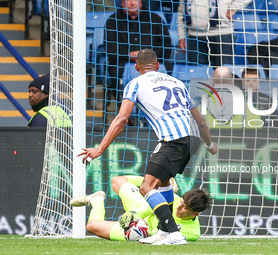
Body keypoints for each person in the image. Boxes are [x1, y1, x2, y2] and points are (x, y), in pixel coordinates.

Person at [78, 49, 217, 245]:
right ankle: (163, 232)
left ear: (136, 67)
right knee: (164, 183)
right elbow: (200, 121)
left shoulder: (135, 83)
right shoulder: (177, 83)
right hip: (192, 138)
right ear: (158, 65)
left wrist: (99, 149)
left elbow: (123, 118)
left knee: (147, 187)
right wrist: (210, 144)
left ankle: (173, 232)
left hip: (172, 137)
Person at [70, 175, 210, 241]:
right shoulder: (174, 200)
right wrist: (132, 213)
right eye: (181, 202)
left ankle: (97, 199)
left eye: (184, 207)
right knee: (117, 181)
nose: (179, 207)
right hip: (141, 208)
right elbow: (148, 209)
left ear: (195, 214)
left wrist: (138, 226)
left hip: (141, 231)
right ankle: (158, 184)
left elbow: (160, 236)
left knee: (92, 226)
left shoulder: (192, 233)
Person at [105, 0, 172, 103]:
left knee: (167, 69)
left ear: (141, 2)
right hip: (122, 62)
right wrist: (128, 55)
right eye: (128, 0)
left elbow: (166, 46)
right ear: (122, 2)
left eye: (135, 0)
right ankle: (123, 109)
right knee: (115, 72)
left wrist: (147, 56)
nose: (132, 3)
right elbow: (110, 46)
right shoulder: (113, 20)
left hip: (151, 63)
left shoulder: (155, 19)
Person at [177, 0, 252, 67]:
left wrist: (234, 8)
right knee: (198, 75)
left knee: (223, 74)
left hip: (222, 34)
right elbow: (181, 12)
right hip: (194, 36)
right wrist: (181, 36)